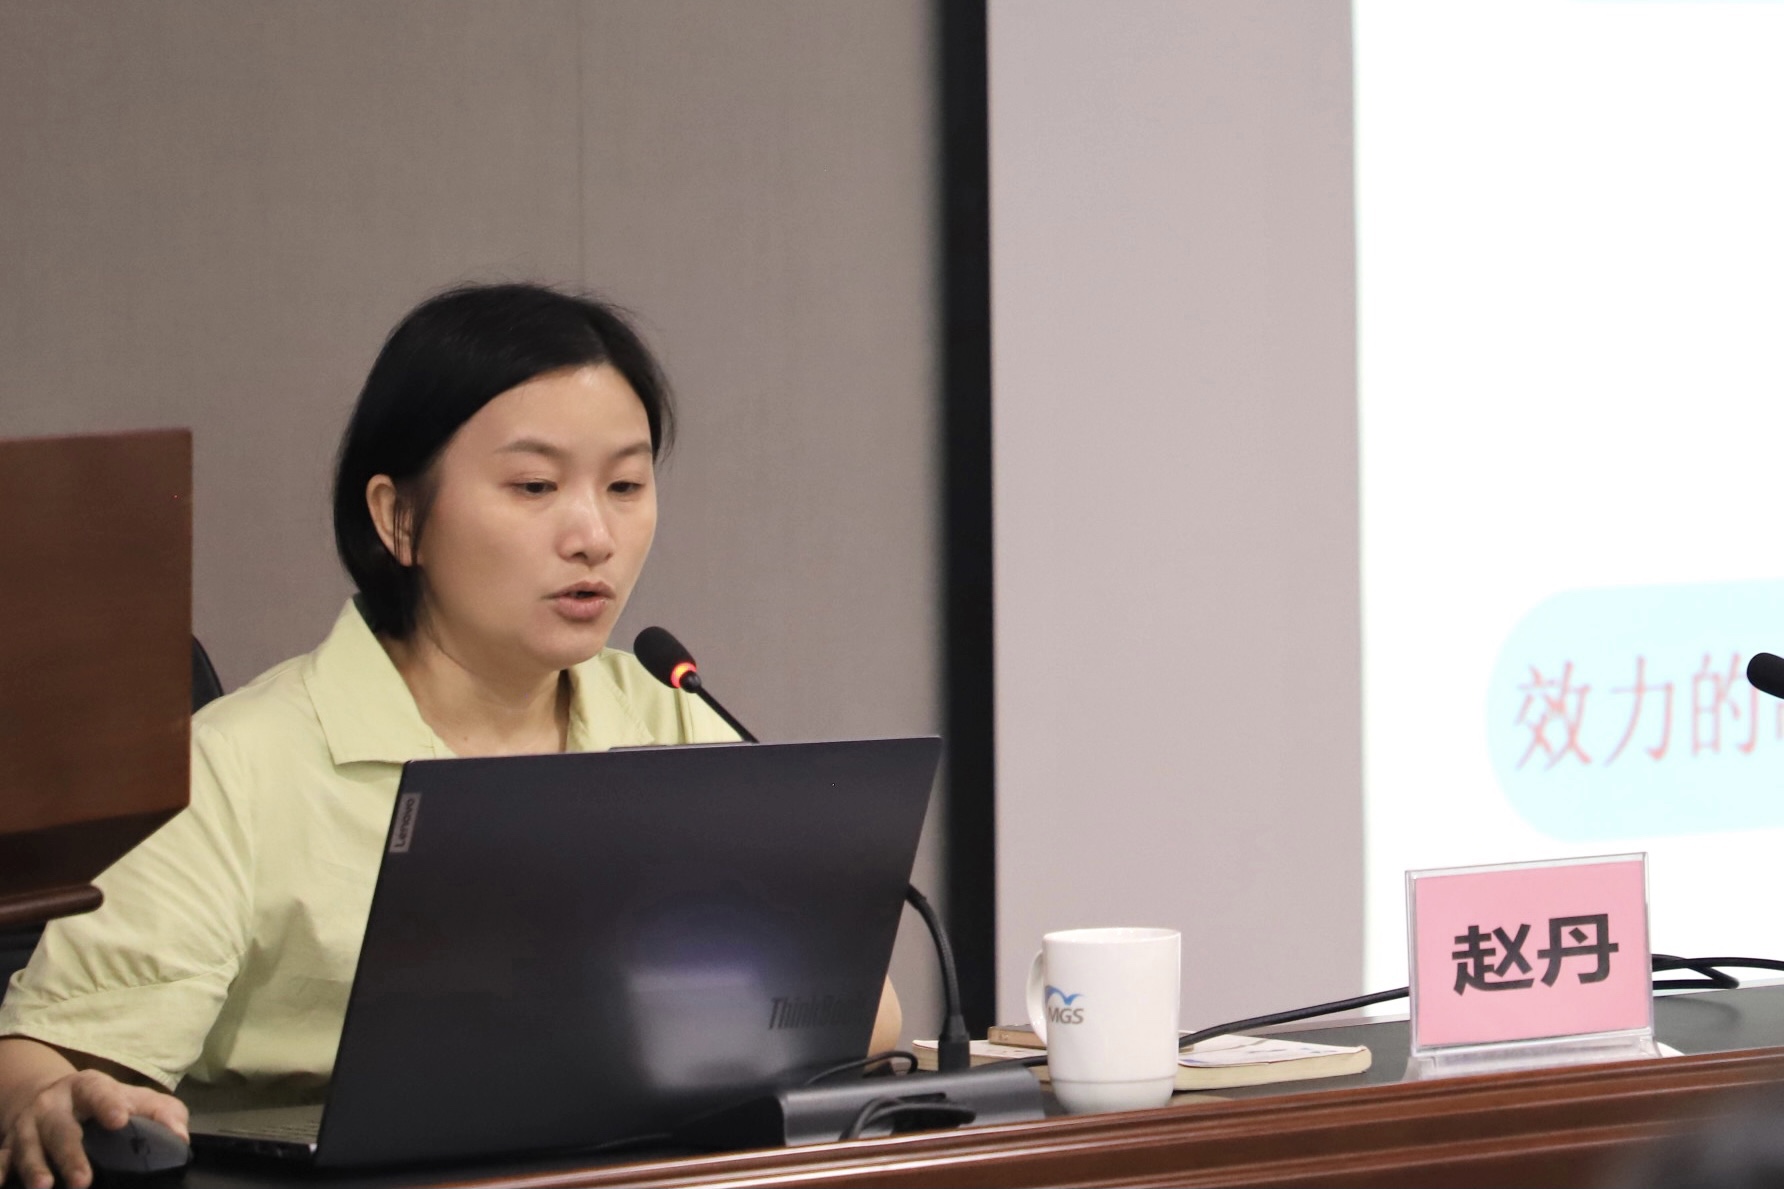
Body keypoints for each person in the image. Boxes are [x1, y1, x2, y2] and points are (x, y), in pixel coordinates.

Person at [0, 283, 901, 1189]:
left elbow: (862, 1017)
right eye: (535, 486)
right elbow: (47, 1059)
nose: (594, 535)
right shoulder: (237, 765)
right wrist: (54, 1097)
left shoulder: (669, 717)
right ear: (398, 517)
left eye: (626, 485)